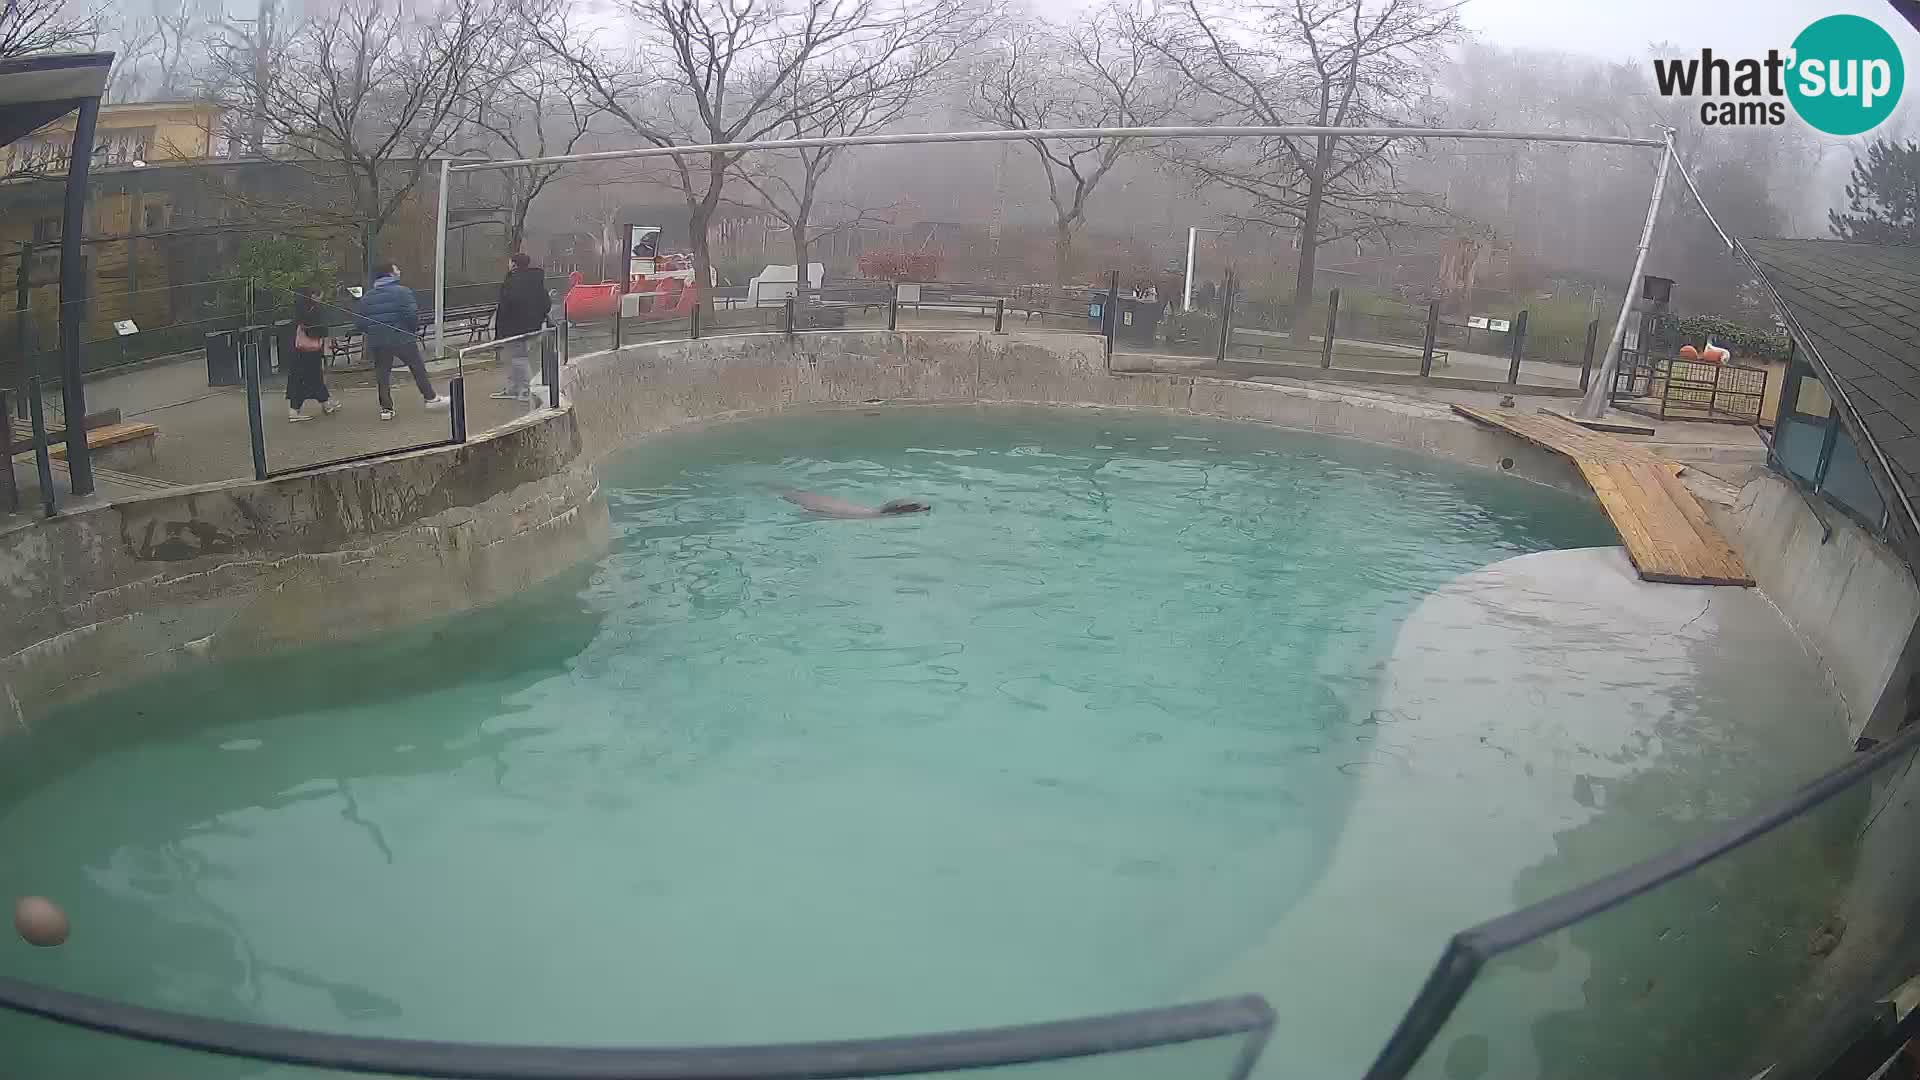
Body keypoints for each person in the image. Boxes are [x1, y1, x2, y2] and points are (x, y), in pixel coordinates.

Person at [356, 262, 446, 422]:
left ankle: (386, 409)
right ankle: (430, 398)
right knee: (417, 367)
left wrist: (374, 332)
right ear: (390, 274)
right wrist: (412, 330)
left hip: (378, 341)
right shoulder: (403, 292)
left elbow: (361, 323)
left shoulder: (367, 297)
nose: (400, 270)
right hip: (402, 338)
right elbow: (411, 315)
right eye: (397, 268)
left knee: (382, 374)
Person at [492, 253, 551, 402]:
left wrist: (499, 332)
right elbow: (546, 303)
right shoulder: (536, 280)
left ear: (514, 264)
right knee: (517, 358)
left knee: (518, 358)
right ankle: (514, 388)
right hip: (532, 326)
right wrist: (537, 317)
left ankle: (525, 389)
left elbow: (505, 307)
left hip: (514, 327)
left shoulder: (511, 281)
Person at [286, 287, 342, 422]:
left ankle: (324, 404)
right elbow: (320, 330)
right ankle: (298, 410)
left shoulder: (299, 308)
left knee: (302, 378)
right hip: (311, 350)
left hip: (298, 349)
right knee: (313, 376)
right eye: (320, 295)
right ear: (313, 295)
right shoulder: (315, 309)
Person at [781, 490, 930, 518]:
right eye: (915, 507)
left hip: (810, 499)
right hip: (810, 503)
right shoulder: (870, 515)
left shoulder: (872, 513)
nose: (925, 507)